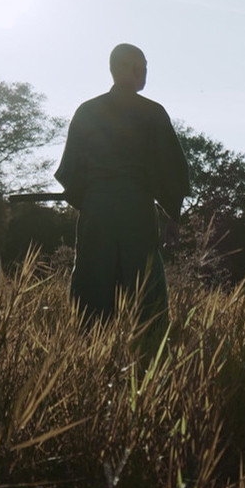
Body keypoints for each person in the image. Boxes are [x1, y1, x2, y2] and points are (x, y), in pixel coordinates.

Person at [55, 43, 189, 350]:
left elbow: (70, 175)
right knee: (145, 289)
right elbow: (172, 172)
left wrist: (90, 201)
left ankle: (89, 351)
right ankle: (148, 352)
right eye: (141, 66)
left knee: (93, 281)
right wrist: (172, 216)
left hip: (97, 210)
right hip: (137, 211)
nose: (144, 72)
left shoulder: (87, 111)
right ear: (125, 67)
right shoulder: (152, 113)